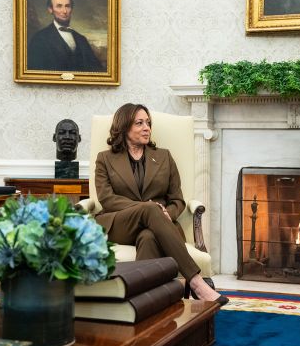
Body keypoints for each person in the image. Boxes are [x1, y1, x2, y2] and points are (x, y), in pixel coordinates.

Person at [94, 103, 228, 306]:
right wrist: (145, 209)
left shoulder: (164, 156)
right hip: (119, 224)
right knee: (150, 208)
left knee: (148, 237)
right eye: (139, 123)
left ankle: (142, 303)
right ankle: (196, 282)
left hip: (161, 224)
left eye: (148, 122)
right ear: (124, 127)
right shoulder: (105, 159)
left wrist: (167, 214)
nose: (146, 127)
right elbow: (107, 199)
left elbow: (177, 200)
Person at [27, 0, 105, 72]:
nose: (64, 11)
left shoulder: (81, 40)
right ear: (50, 9)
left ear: (71, 8)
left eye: (67, 6)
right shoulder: (39, 39)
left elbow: (97, 70)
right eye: (59, 6)